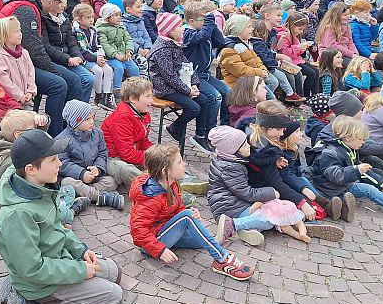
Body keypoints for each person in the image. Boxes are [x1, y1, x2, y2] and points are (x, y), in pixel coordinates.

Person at [0, 129, 124, 304]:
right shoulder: (17, 215)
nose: (60, 164)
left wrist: (79, 250)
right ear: (31, 169)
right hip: (41, 284)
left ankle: (25, 288)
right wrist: (80, 271)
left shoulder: (40, 186)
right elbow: (32, 269)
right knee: (113, 298)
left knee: (115, 272)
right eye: (53, 159)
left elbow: (59, 226)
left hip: (59, 261)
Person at [129, 144, 254, 280]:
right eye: (179, 162)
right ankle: (222, 259)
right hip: (151, 243)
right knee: (188, 219)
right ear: (166, 171)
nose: (184, 164)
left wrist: (188, 213)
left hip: (165, 230)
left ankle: (212, 243)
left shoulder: (171, 183)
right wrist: (160, 249)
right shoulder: (150, 196)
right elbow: (137, 230)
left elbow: (177, 208)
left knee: (198, 238)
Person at [0, 0, 74, 136]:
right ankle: (53, 133)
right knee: (59, 85)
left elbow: (30, 66)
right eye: (18, 32)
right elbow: (34, 50)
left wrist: (31, 89)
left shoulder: (28, 7)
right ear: (51, 1)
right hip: (7, 81)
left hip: (23, 76)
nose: (20, 34)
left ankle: (67, 128)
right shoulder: (26, 9)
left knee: (74, 80)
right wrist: (53, 72)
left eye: (20, 31)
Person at [313, 116, 383, 220]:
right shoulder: (330, 154)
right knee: (369, 190)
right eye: (360, 139)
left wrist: (382, 186)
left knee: (378, 183)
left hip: (345, 183)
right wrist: (356, 170)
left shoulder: (350, 149)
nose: (363, 142)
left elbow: (363, 173)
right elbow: (336, 176)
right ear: (348, 137)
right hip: (333, 188)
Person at [149, 11, 213, 152]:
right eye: (179, 26)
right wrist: (188, 90)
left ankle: (200, 136)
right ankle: (174, 128)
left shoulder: (175, 44)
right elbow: (169, 77)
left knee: (204, 100)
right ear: (170, 31)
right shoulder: (162, 49)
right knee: (194, 108)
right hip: (164, 89)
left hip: (178, 85)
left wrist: (195, 84)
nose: (183, 28)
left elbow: (187, 65)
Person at [56, 99, 125, 210]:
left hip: (92, 177)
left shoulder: (97, 133)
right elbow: (62, 163)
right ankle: (101, 197)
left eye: (92, 117)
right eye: (87, 119)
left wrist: (97, 168)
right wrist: (81, 173)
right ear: (75, 122)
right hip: (74, 177)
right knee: (67, 183)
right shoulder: (62, 139)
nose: (92, 121)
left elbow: (103, 153)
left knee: (112, 182)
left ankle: (85, 193)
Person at [39, 0, 95, 104]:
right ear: (52, 3)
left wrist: (77, 57)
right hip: (54, 60)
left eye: (63, 2)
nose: (63, 5)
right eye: (59, 3)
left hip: (68, 58)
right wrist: (68, 58)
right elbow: (46, 46)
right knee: (74, 80)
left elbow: (71, 41)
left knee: (89, 78)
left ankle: (81, 110)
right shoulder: (44, 19)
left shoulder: (65, 19)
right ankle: (71, 112)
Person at [100, 77, 153, 186]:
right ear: (133, 98)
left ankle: (177, 179)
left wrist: (155, 152)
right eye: (148, 96)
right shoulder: (123, 117)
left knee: (162, 156)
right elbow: (126, 154)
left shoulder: (143, 112)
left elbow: (143, 141)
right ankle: (154, 188)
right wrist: (150, 158)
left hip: (129, 154)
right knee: (126, 170)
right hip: (111, 158)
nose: (151, 101)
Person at [97, 3, 140, 103]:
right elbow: (105, 45)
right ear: (107, 17)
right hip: (111, 57)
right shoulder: (102, 29)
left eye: (120, 15)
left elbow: (128, 39)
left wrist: (129, 51)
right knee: (119, 68)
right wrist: (116, 55)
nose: (119, 18)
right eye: (115, 15)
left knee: (134, 68)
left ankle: (135, 91)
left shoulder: (121, 27)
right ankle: (117, 92)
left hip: (123, 55)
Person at [218, 14, 269, 88]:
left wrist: (263, 69)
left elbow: (257, 60)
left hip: (252, 79)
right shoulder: (229, 49)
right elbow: (240, 70)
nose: (252, 29)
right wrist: (260, 72)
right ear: (238, 29)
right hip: (238, 85)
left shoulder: (247, 43)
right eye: (249, 27)